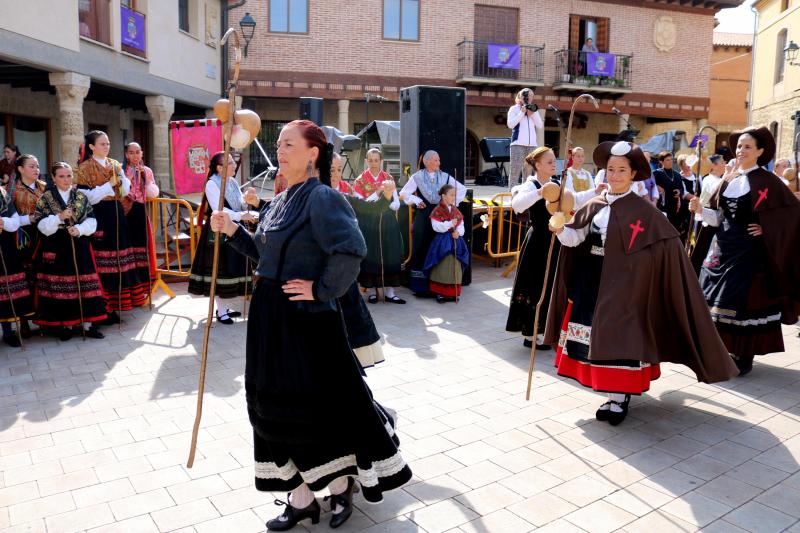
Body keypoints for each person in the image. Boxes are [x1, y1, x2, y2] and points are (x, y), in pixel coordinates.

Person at [211, 120, 411, 531]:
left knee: (320, 412)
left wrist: (322, 290)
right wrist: (232, 230)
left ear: (313, 153)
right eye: (278, 144)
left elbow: (351, 250)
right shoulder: (281, 200)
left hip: (308, 326)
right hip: (269, 323)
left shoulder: (322, 198)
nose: (279, 151)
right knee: (271, 410)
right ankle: (300, 500)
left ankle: (339, 490)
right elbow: (265, 257)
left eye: (288, 144)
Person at [545, 141, 738, 425]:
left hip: (626, 288)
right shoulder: (595, 204)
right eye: (610, 169)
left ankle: (619, 396)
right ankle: (608, 390)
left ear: (633, 173)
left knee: (620, 337)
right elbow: (576, 239)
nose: (614, 175)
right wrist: (561, 227)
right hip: (593, 283)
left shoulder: (645, 211)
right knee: (594, 334)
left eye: (621, 170)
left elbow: (665, 247)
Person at [695, 127, 800, 376]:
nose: (741, 151)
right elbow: (719, 217)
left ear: (760, 151)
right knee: (710, 296)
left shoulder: (768, 182)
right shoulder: (728, 179)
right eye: (739, 146)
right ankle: (720, 349)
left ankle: (743, 354)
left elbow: (792, 214)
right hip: (721, 248)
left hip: (749, 253)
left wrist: (767, 228)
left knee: (739, 299)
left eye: (747, 147)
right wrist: (699, 209)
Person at [75, 131, 147, 324]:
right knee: (102, 261)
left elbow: (124, 188)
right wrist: (109, 186)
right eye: (102, 144)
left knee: (119, 258)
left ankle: (116, 305)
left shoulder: (115, 164)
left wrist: (121, 185)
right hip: (98, 214)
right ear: (91, 146)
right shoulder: (84, 168)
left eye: (107, 143)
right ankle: (102, 308)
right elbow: (86, 197)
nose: (106, 147)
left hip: (116, 212)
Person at [33, 162, 107, 340]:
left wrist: (80, 229)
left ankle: (89, 325)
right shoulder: (45, 198)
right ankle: (65, 325)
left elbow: (92, 220)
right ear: (53, 178)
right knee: (62, 287)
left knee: (86, 285)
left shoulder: (80, 196)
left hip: (79, 245)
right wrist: (58, 217)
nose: (66, 180)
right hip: (56, 246)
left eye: (69, 176)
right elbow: (41, 225)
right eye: (61, 176)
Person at [188, 152, 256, 324]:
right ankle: (221, 311)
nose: (234, 165)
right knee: (220, 270)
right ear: (220, 168)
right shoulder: (212, 184)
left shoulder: (232, 182)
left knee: (231, 269)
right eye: (231, 162)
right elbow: (220, 210)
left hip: (232, 229)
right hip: (217, 230)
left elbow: (238, 204)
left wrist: (248, 204)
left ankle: (223, 309)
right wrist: (242, 216)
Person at [505, 147, 560, 349]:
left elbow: (574, 200)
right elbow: (517, 205)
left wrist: (595, 192)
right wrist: (539, 192)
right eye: (549, 162)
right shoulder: (530, 184)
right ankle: (531, 334)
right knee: (535, 284)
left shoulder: (557, 183)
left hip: (555, 240)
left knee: (551, 284)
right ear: (537, 165)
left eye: (555, 161)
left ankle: (545, 330)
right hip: (537, 241)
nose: (554, 164)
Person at [400, 150, 466, 295]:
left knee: (436, 247)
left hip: (440, 214)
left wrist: (452, 204)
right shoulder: (417, 177)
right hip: (424, 216)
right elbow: (404, 193)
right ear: (427, 161)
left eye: (439, 160)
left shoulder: (445, 176)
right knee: (421, 245)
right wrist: (417, 201)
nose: (439, 163)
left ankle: (437, 285)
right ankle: (420, 286)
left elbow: (462, 189)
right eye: (436, 160)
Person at [352, 149, 405, 304]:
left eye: (376, 160)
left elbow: (396, 202)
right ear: (366, 161)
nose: (374, 164)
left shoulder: (388, 178)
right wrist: (377, 193)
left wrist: (390, 203)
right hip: (370, 222)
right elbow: (362, 204)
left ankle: (390, 292)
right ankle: (373, 291)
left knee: (391, 253)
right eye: (371, 160)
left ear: (381, 161)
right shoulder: (360, 181)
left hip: (388, 221)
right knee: (373, 255)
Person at [10, 154, 46, 337]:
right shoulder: (12, 191)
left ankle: (44, 318)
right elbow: (9, 215)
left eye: (37, 166)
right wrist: (29, 219)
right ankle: (24, 321)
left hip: (44, 235)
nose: (36, 169)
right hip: (22, 238)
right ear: (20, 169)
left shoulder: (45, 187)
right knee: (25, 279)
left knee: (43, 276)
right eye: (31, 166)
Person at [123, 142, 159, 301]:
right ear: (126, 155)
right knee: (127, 250)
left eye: (137, 152)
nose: (135, 156)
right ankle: (130, 289)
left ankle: (143, 289)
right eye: (131, 152)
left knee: (141, 250)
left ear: (142, 153)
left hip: (139, 211)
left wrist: (146, 178)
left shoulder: (147, 171)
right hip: (124, 212)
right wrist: (129, 177)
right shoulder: (121, 170)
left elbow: (153, 193)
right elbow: (119, 191)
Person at [423, 184, 469, 303]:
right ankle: (440, 293)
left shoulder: (455, 210)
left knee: (456, 266)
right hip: (442, 242)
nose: (454, 197)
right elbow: (436, 227)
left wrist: (458, 233)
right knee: (442, 265)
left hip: (456, 241)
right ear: (444, 196)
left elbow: (461, 225)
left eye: (455, 195)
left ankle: (453, 292)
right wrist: (449, 224)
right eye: (451, 195)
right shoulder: (437, 210)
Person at [0, 185, 33, 347]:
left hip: (5, 248)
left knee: (7, 291)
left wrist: (2, 221)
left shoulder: (3, 194)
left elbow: (15, 222)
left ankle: (8, 332)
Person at [688, 154, 726, 274]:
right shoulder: (715, 181)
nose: (725, 164)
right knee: (702, 254)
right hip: (708, 220)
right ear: (714, 166)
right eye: (722, 162)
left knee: (699, 254)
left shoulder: (709, 178)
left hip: (704, 218)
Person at [654, 151, 695, 241]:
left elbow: (681, 188)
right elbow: (650, 185)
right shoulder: (656, 173)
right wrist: (656, 187)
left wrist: (679, 191)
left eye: (671, 159)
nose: (670, 162)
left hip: (675, 207)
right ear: (661, 161)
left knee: (675, 229)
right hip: (662, 206)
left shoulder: (676, 174)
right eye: (667, 160)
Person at [507, 88, 544, 187]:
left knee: (528, 173)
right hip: (517, 144)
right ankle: (512, 196)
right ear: (521, 96)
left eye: (532, 96)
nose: (529, 98)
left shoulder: (534, 110)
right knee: (515, 171)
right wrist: (521, 113)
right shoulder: (514, 109)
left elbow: (540, 125)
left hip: (532, 145)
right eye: (527, 95)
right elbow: (510, 124)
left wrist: (532, 115)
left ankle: (526, 195)